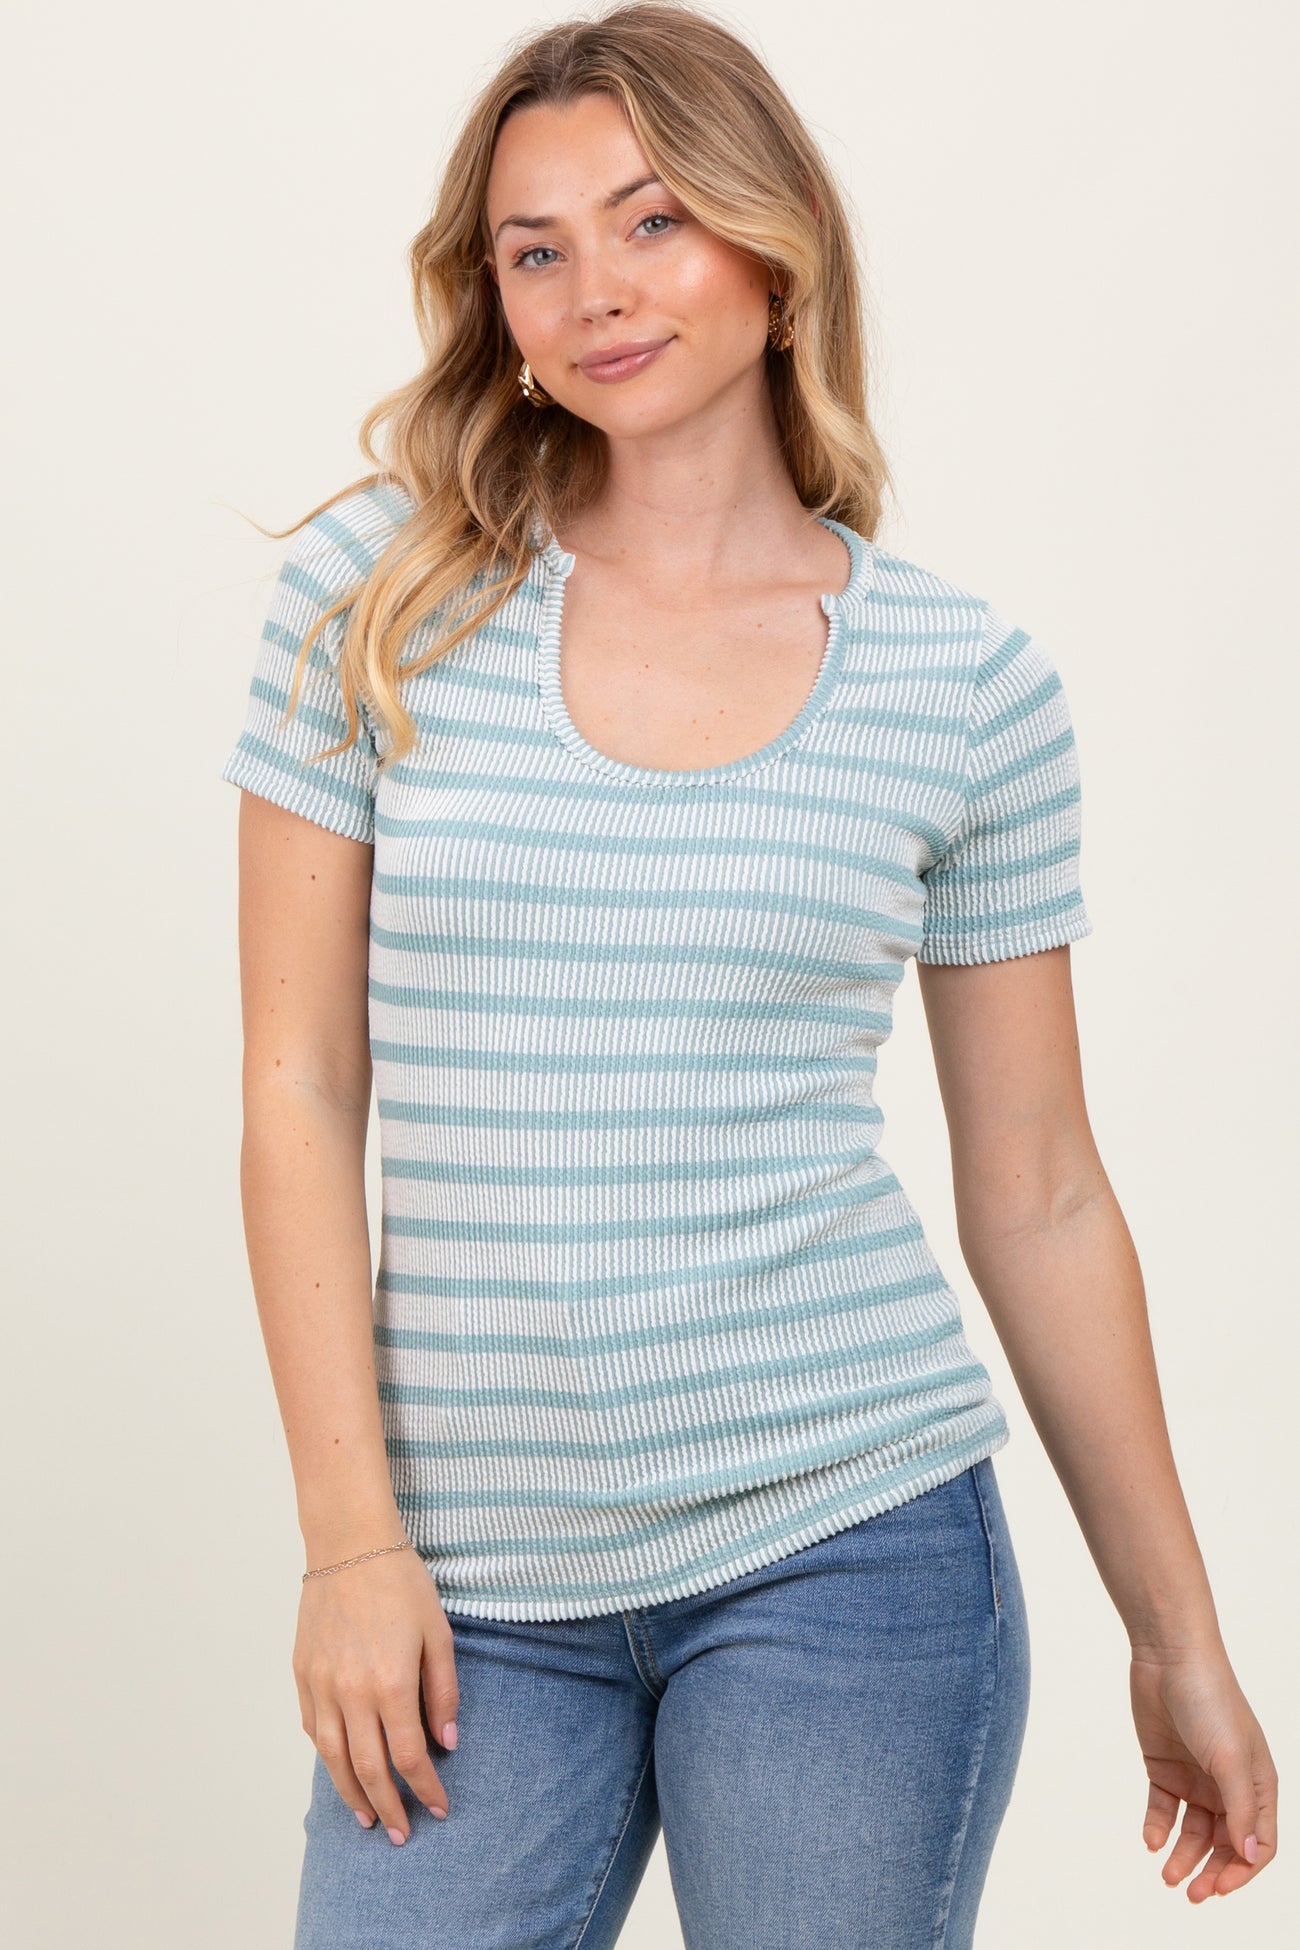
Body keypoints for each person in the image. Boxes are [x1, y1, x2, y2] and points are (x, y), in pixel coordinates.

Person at [219, 5, 1277, 1945]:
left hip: (847, 1549)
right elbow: (297, 1088)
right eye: (535, 250)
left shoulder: (960, 686)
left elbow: (1039, 1187)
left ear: (773, 248)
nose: (597, 292)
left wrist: (1176, 1634)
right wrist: (348, 1544)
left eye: (652, 221)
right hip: (463, 1583)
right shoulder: (376, 601)